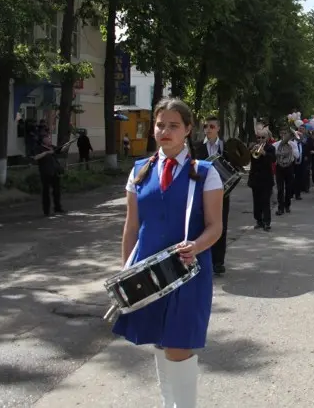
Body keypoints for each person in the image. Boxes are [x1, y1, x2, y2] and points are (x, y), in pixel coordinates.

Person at [113, 97, 223, 408]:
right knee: (160, 345)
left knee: (178, 346)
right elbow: (131, 228)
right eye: (160, 125)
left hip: (188, 272)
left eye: (174, 125)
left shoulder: (204, 173)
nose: (165, 131)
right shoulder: (139, 172)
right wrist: (126, 274)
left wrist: (197, 246)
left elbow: (215, 226)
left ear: (188, 130)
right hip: (147, 273)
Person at [194, 116, 230, 275]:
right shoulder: (196, 147)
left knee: (220, 226)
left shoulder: (226, 147)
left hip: (223, 192)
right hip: (202, 192)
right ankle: (203, 260)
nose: (208, 129)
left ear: (218, 128)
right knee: (202, 226)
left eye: (211, 126)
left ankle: (218, 262)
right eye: (205, 127)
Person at [33, 133, 67, 216]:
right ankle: (46, 211)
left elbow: (61, 150)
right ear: (43, 140)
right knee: (46, 192)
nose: (49, 140)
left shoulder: (52, 147)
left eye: (49, 138)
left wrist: (66, 145)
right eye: (47, 138)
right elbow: (36, 157)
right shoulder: (39, 148)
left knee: (56, 191)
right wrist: (47, 152)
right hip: (45, 173)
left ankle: (57, 208)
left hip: (55, 172)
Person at [248, 128, 276, 231]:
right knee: (256, 202)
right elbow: (248, 160)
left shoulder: (271, 148)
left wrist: (264, 153)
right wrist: (250, 151)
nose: (260, 139)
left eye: (263, 137)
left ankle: (267, 222)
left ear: (267, 138)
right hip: (255, 179)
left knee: (265, 202)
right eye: (258, 137)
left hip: (266, 179)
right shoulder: (253, 147)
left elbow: (273, 159)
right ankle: (258, 221)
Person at [273, 128, 299, 215]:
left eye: (286, 133)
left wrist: (291, 150)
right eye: (282, 133)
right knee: (280, 188)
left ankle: (287, 205)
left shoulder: (293, 144)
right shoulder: (275, 145)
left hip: (289, 167)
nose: (284, 135)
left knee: (289, 187)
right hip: (279, 167)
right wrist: (280, 153)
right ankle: (280, 207)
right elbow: (273, 157)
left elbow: (297, 155)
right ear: (280, 134)